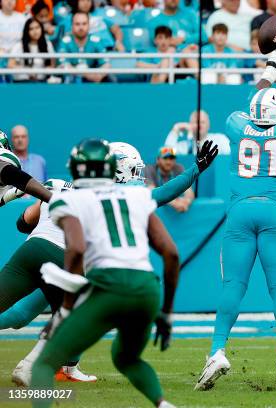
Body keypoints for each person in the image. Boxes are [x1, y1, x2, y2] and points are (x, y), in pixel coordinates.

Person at [6, 140, 218, 387]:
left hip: (35, 249)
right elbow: (164, 194)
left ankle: (63, 366)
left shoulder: (57, 184)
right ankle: (54, 366)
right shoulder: (117, 196)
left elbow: (22, 224)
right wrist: (196, 169)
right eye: (134, 170)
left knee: (20, 313)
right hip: (69, 260)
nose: (137, 176)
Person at [194, 27, 276, 392]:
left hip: (239, 213)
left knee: (234, 284)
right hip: (274, 212)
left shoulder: (236, 126)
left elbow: (254, 101)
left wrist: (271, 66)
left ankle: (217, 351)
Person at [29, 139, 179, 408]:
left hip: (106, 287)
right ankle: (163, 404)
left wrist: (64, 310)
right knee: (127, 358)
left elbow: (74, 251)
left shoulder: (69, 198)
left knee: (44, 365)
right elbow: (171, 254)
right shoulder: (137, 195)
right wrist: (166, 313)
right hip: (146, 288)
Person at [0, 129, 51, 207]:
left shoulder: (39, 161)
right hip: (12, 207)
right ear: (12, 140)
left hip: (36, 205)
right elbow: (16, 177)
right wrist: (53, 198)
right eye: (16, 137)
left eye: (23, 137)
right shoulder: (5, 161)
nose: (20, 140)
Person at [57, 11, 111, 83]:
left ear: (89, 25)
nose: (81, 27)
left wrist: (99, 76)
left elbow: (106, 64)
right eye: (77, 24)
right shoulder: (65, 41)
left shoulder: (96, 40)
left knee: (110, 77)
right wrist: (86, 74)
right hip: (72, 81)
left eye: (84, 24)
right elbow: (64, 65)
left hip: (93, 81)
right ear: (71, 26)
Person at [144, 146, 195, 213]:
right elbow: (152, 192)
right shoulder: (149, 169)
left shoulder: (178, 168)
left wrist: (186, 202)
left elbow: (189, 191)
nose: (168, 162)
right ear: (158, 160)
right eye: (165, 158)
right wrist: (175, 203)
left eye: (171, 158)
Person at [8, 18, 55, 82]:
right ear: (27, 31)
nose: (35, 31)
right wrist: (27, 71)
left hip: (42, 82)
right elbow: (10, 65)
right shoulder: (19, 45)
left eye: (37, 27)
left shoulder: (48, 44)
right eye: (31, 29)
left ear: (41, 28)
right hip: (22, 82)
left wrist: (41, 72)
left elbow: (52, 65)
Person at [165, 110, 230, 155]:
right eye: (196, 122)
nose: (199, 125)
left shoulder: (220, 140)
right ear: (190, 125)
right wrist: (175, 130)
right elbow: (166, 155)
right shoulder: (184, 147)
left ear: (208, 125)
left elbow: (231, 159)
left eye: (203, 122)